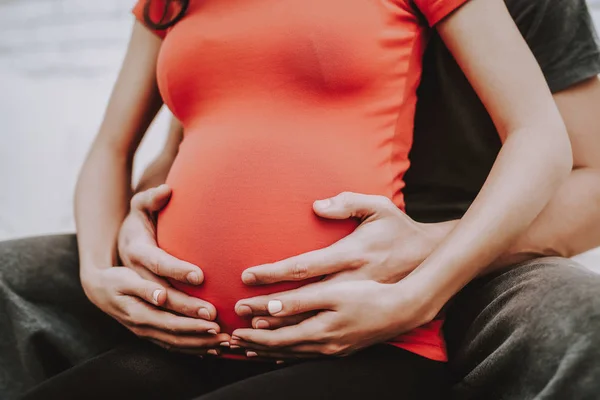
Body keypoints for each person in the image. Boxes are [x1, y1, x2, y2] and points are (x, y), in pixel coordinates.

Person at [1, 1, 599, 400]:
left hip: (462, 266)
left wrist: (423, 271)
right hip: (198, 318)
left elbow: (574, 165)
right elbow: (167, 148)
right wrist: (116, 251)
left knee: (573, 315)